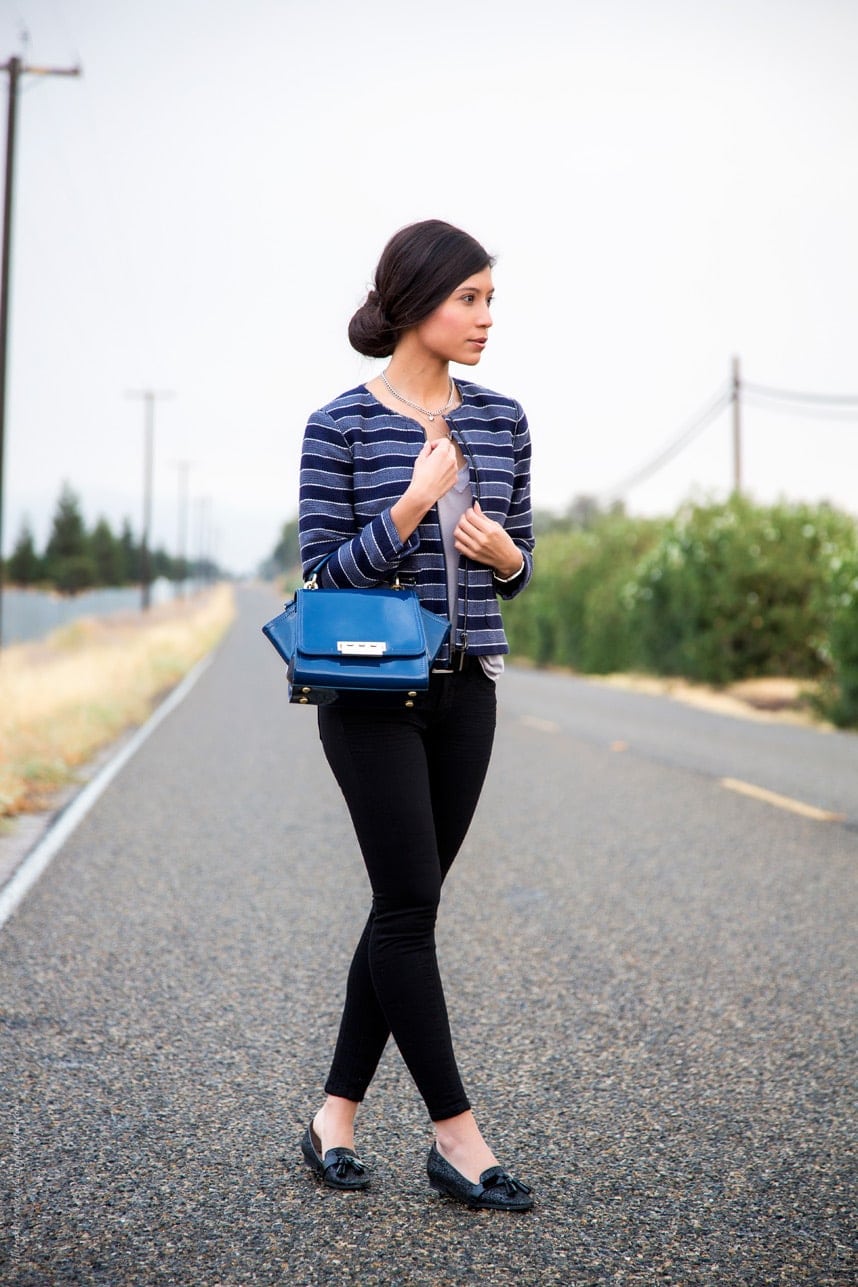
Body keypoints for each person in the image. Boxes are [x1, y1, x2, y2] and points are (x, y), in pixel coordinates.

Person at [297, 219, 535, 1212]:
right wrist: (408, 507)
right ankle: (457, 1138)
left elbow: (520, 559)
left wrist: (505, 560)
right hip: (367, 693)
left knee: (409, 905)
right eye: (467, 299)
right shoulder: (341, 426)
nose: (486, 318)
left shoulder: (504, 420)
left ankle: (334, 1116)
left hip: (466, 687)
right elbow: (320, 574)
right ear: (415, 303)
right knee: (407, 909)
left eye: (490, 298)